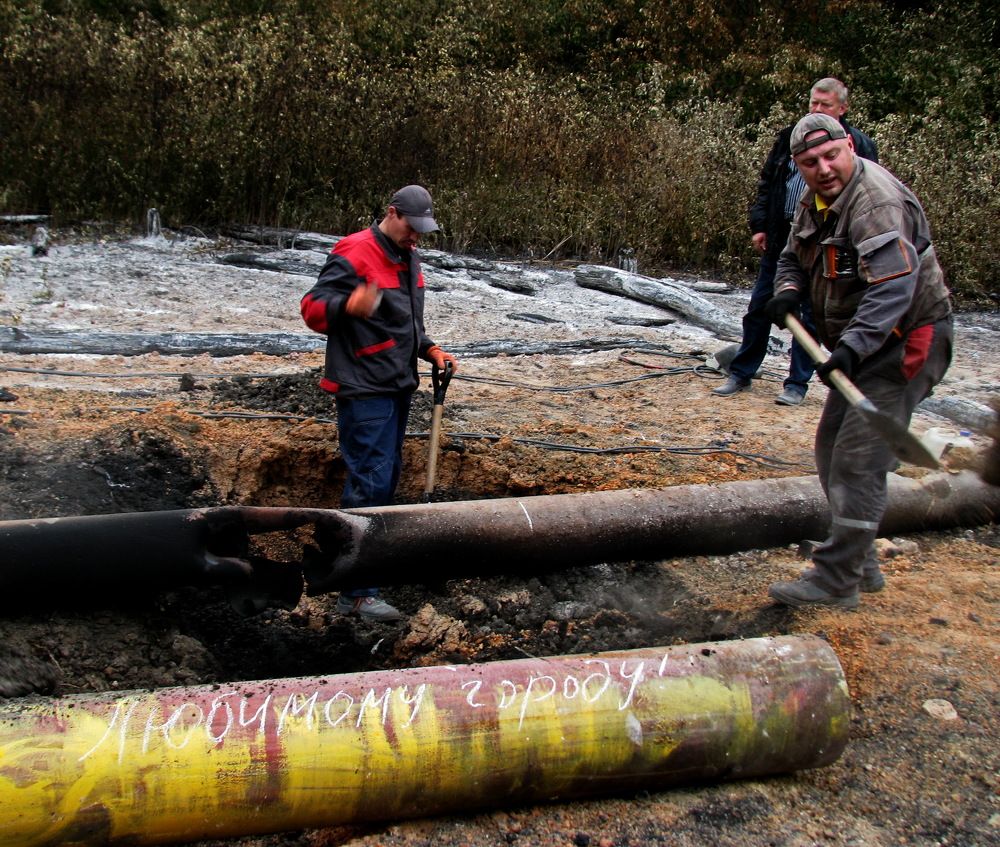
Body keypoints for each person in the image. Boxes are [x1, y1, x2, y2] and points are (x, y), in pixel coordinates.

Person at [764, 112, 952, 609]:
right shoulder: (818, 200)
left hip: (906, 342)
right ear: (798, 167)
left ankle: (836, 580)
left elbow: (893, 288)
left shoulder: (876, 204)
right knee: (831, 451)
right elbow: (790, 256)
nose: (824, 167)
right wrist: (786, 292)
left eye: (831, 155)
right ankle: (860, 562)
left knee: (856, 462)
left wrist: (850, 350)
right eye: (810, 162)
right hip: (867, 345)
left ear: (850, 145)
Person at [300, 185, 458, 622]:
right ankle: (355, 593)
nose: (417, 237)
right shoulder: (354, 251)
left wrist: (430, 349)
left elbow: (405, 320)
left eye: (423, 230)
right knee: (369, 482)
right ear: (392, 213)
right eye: (412, 227)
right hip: (364, 386)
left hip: (395, 382)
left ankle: (366, 578)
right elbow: (312, 308)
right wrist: (348, 304)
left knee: (385, 478)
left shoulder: (407, 256)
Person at [713, 77, 878, 406]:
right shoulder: (790, 138)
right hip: (783, 236)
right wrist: (760, 224)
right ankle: (741, 371)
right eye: (813, 103)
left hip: (825, 244)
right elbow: (768, 182)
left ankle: (797, 384)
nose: (816, 109)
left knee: (811, 316)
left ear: (842, 109)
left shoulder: (858, 145)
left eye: (825, 105)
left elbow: (865, 201)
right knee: (761, 306)